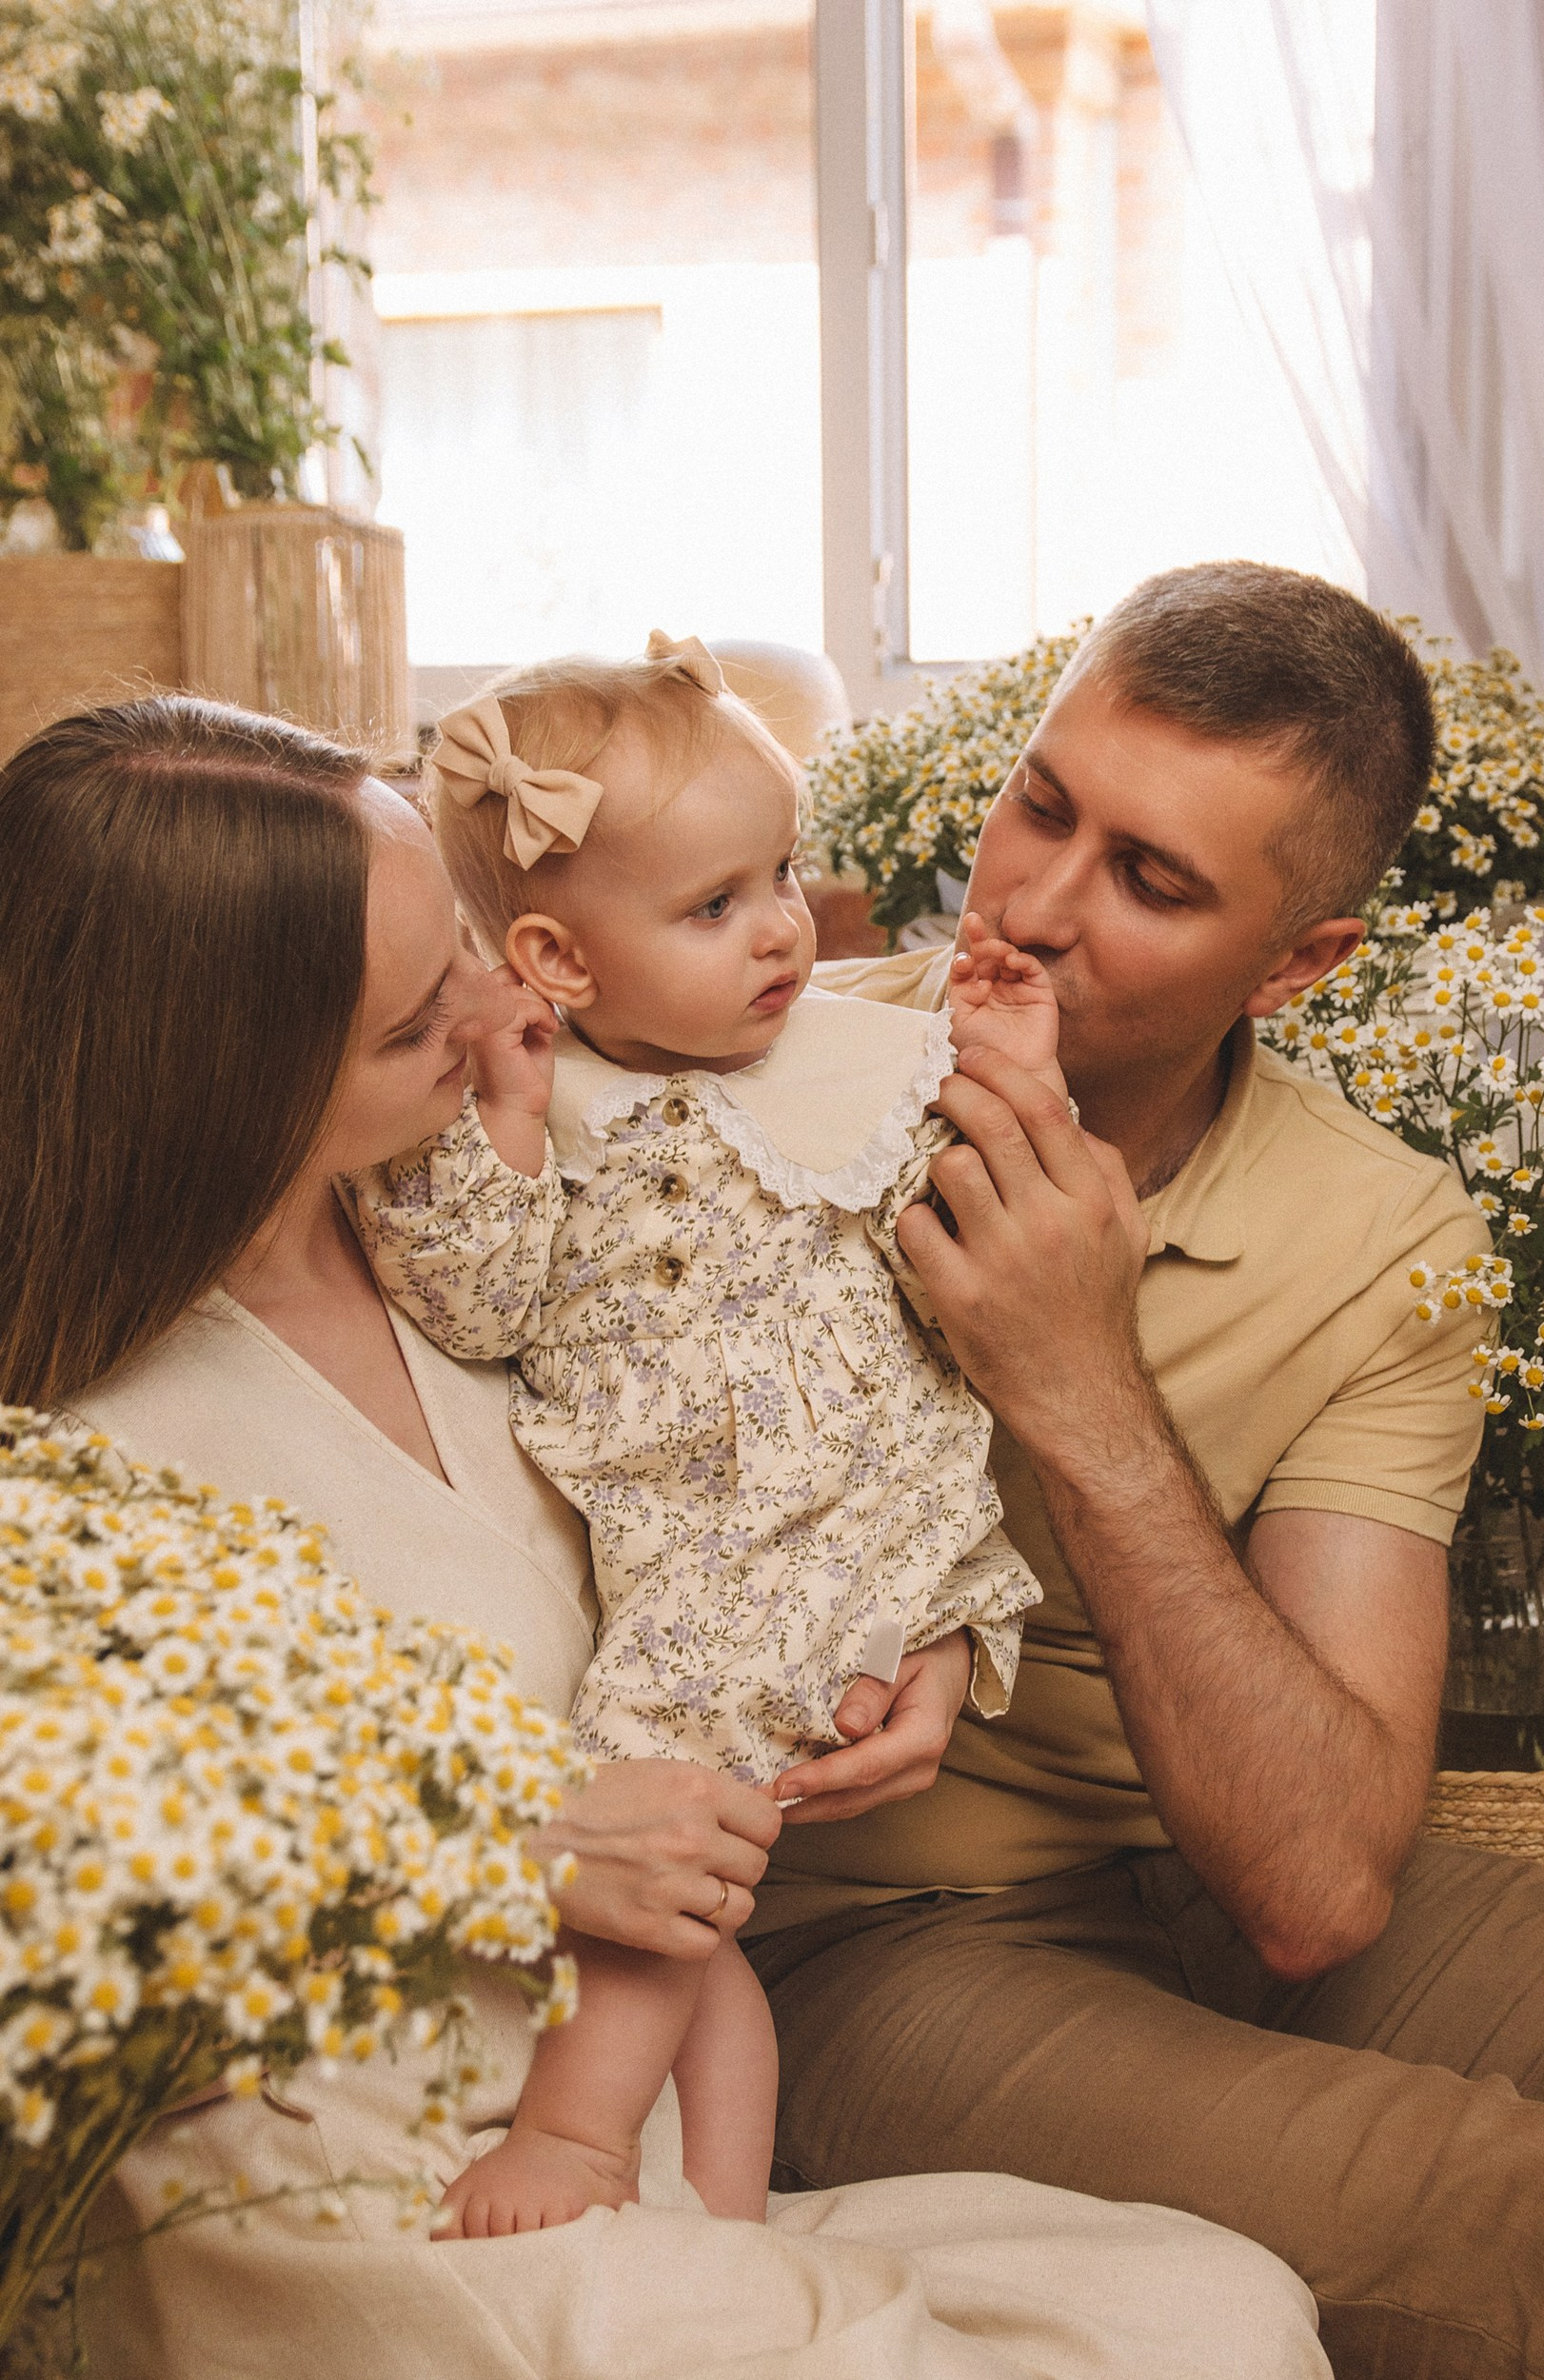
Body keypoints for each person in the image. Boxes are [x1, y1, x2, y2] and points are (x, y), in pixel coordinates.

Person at [0, 692, 1330, 2380]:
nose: (505, 1009)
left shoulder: (488, 1221)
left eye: (472, 951)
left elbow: (747, 1457)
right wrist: (506, 1848)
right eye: (425, 1017)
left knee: (1218, 2307)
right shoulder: (77, 1442)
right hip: (328, 2191)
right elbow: (56, 1883)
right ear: (236, 1082)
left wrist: (889, 1622)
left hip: (618, 2117)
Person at [745, 562, 1544, 2380]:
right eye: (1043, 804)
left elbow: (1316, 1883)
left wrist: (1084, 1379)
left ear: (1298, 962)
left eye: (1153, 880)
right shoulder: (749, 1090)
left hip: (1224, 1877)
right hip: (871, 1948)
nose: (1034, 907)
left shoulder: (1383, 1236)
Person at [348, 637, 1063, 2232]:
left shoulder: (863, 1070)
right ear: (562, 961)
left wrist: (1015, 1072)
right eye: (716, 906)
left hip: (813, 1531)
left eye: (786, 873)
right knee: (703, 1914)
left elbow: (993, 1267)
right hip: (724, 1553)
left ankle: (577, 2140)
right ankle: (724, 2218)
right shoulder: (540, 1108)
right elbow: (478, 1309)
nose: (786, 931)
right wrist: (515, 1126)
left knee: (658, 1852)